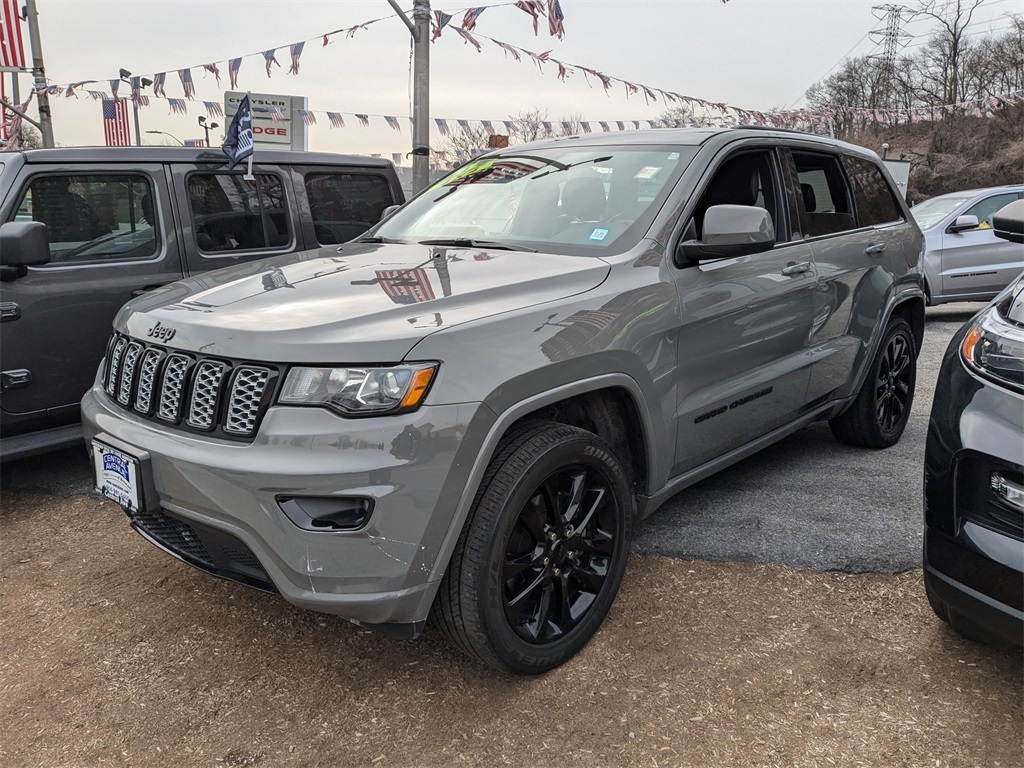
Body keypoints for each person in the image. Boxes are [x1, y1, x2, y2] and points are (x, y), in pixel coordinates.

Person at [31, 177, 108, 243]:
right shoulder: (44, 204)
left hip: (87, 247)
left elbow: (96, 223)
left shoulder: (79, 201)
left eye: (65, 180)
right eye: (59, 181)